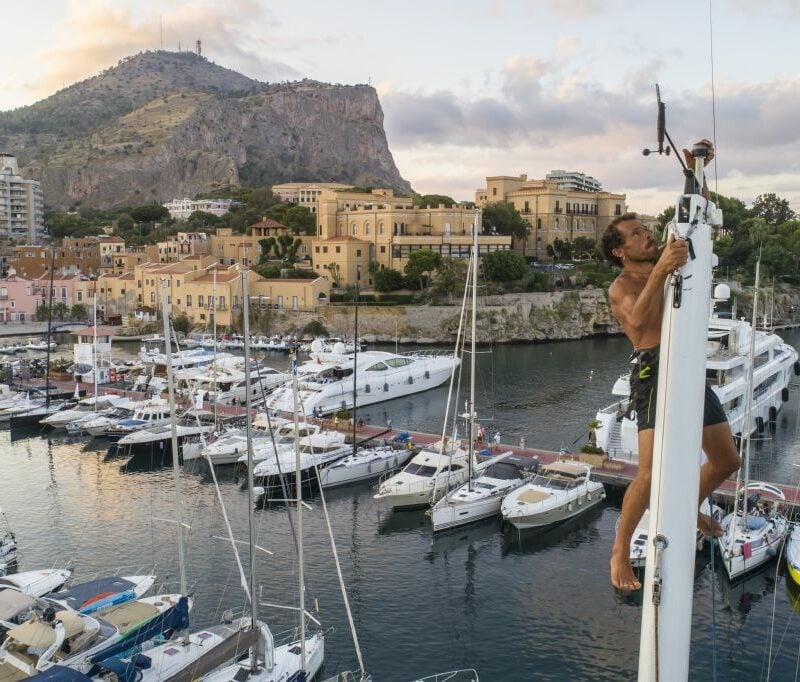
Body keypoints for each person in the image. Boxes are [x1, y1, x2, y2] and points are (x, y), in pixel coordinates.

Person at [600, 140, 740, 591]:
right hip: (652, 368)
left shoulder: (667, 254)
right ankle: (620, 550)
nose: (647, 235)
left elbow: (689, 216)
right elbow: (640, 328)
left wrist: (696, 168)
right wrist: (661, 269)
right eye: (637, 233)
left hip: (685, 362)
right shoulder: (621, 285)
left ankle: (688, 506)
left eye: (645, 229)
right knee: (649, 470)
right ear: (621, 251)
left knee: (725, 459)